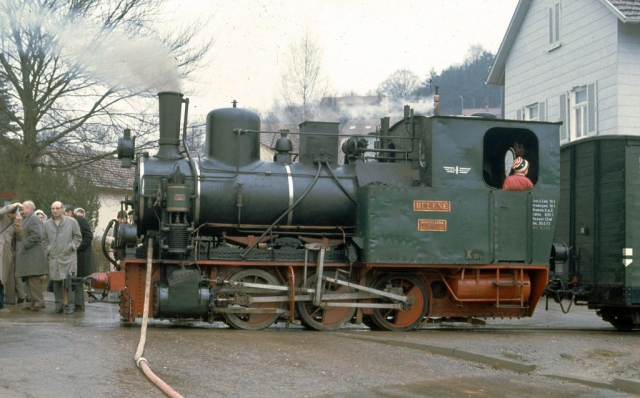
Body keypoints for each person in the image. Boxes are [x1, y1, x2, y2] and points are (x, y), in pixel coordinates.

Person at [43, 201, 81, 314]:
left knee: (69, 282)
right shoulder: (47, 224)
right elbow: (44, 240)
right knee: (56, 282)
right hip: (54, 257)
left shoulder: (72, 222)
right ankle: (58, 306)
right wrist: (48, 249)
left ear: (62, 209)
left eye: (57, 208)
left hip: (68, 257)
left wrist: (71, 247)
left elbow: (78, 237)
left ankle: (70, 306)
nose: (55, 211)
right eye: (52, 208)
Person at [15, 201, 48, 311]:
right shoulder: (25, 219)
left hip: (33, 254)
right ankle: (32, 302)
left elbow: (36, 235)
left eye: (23, 207)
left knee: (34, 279)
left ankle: (39, 302)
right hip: (28, 254)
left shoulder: (33, 218)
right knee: (29, 279)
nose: (21, 209)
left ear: (29, 209)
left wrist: (25, 245)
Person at [1, 202, 27, 311]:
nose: (13, 215)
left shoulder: (15, 221)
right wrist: (13, 205)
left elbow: (20, 238)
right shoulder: (2, 217)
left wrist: (19, 226)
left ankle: (4, 301)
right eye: (12, 213)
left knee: (4, 278)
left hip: (9, 252)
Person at [71, 207, 94, 311]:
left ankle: (79, 304)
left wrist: (78, 247)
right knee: (75, 279)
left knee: (78, 279)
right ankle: (77, 303)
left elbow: (88, 236)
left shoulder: (80, 220)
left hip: (81, 255)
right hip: (74, 254)